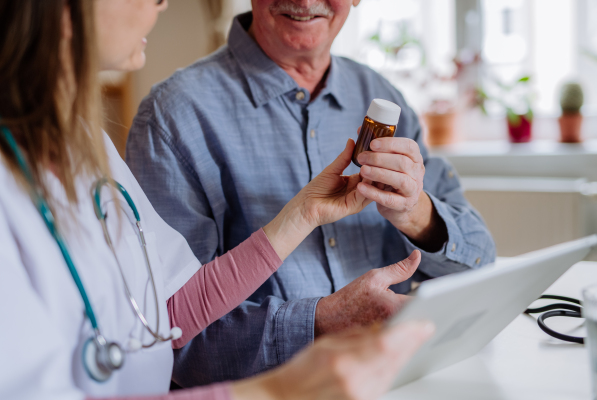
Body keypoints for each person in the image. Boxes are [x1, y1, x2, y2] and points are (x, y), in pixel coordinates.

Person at [0, 0, 434, 399]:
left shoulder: (85, 142)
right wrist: (277, 391)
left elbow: (172, 308)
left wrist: (305, 213)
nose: (161, 3)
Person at [126, 0, 497, 385]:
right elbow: (168, 337)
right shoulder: (173, 116)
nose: (304, 1)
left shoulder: (383, 96)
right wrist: (320, 322)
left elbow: (482, 263)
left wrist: (416, 213)